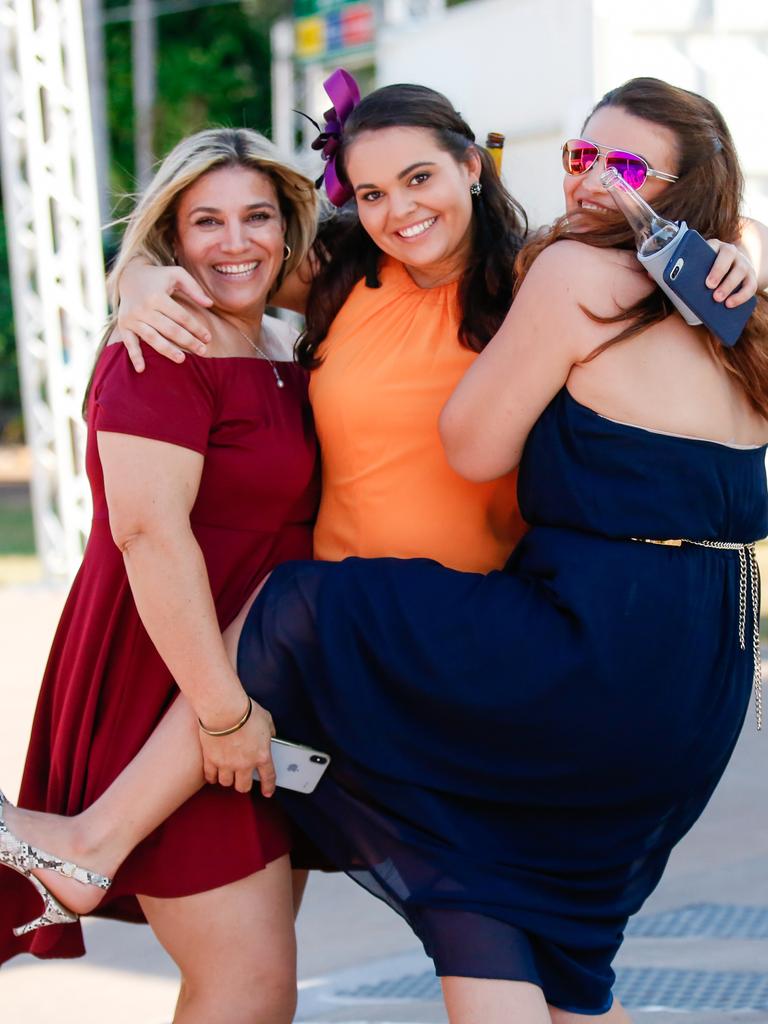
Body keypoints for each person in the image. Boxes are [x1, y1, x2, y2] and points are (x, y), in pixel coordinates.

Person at [2, 77, 767, 1023]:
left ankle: (89, 844)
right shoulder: (342, 279)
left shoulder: (526, 278)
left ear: (473, 169)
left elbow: (652, 295)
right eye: (369, 194)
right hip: (362, 668)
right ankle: (91, 845)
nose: (399, 212)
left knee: (470, 881)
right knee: (479, 902)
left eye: (419, 179)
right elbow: (227, 258)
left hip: (470, 655)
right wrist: (140, 276)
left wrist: (734, 251)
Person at [0, 128, 320, 1024]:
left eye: (257, 216)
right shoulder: (161, 349)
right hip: (176, 687)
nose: (235, 242)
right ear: (170, 240)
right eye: (204, 221)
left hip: (260, 682)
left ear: (288, 230)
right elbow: (146, 533)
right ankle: (66, 848)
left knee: (252, 984)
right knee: (247, 989)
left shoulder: (285, 344)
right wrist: (222, 711)